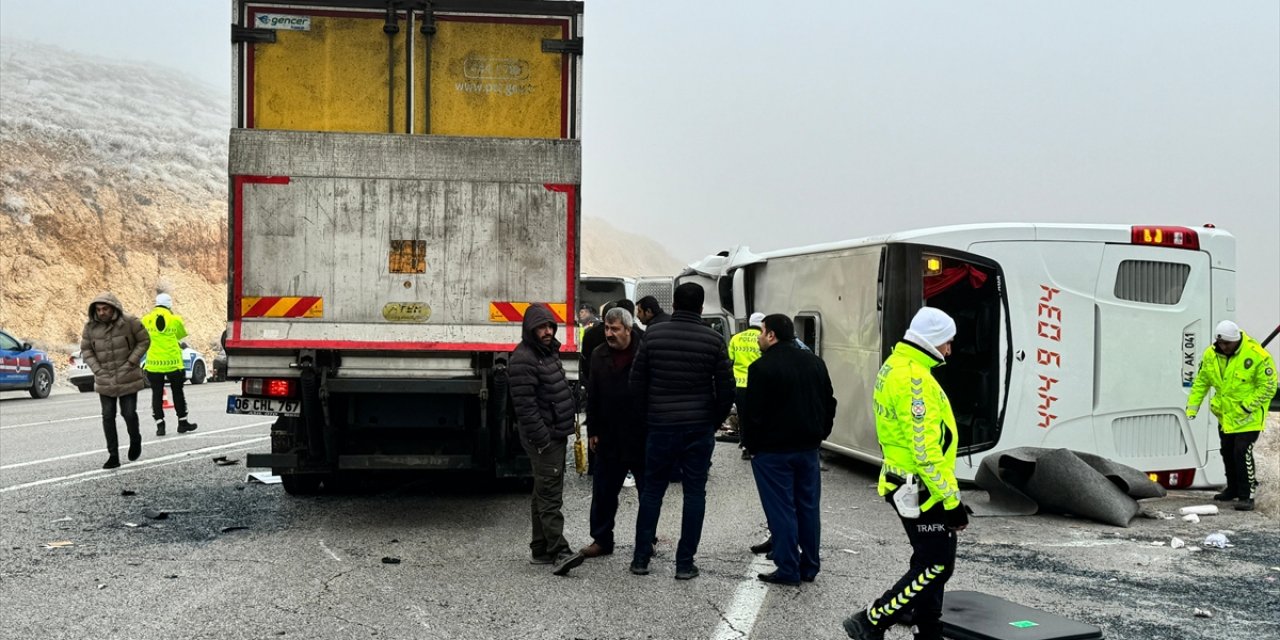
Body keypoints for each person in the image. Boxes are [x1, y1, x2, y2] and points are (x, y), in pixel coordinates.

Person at [844, 307, 969, 640]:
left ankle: (928, 630)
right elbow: (927, 453)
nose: (949, 351)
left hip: (904, 481)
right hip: (922, 489)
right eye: (947, 343)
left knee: (931, 559)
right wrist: (951, 500)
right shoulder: (917, 381)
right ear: (933, 341)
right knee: (936, 565)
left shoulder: (893, 366)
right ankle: (873, 619)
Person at [629, 282, 734, 580]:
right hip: (697, 429)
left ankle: (640, 559)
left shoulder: (654, 336)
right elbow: (726, 391)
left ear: (674, 305)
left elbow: (636, 383)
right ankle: (685, 563)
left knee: (652, 492)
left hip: (660, 426)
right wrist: (711, 422)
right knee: (694, 493)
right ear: (701, 308)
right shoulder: (713, 340)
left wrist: (647, 418)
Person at [742, 314, 836, 586]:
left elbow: (753, 413)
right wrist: (821, 433)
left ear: (771, 335)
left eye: (761, 332)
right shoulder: (815, 363)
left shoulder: (761, 368)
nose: (759, 337)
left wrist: (753, 445)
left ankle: (787, 567)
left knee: (781, 509)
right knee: (808, 508)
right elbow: (829, 402)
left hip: (772, 453)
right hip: (808, 448)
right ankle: (810, 565)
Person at [509, 304, 586, 576]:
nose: (547, 331)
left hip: (555, 434)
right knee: (551, 495)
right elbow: (525, 408)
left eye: (550, 326)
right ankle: (559, 551)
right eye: (541, 327)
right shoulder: (524, 359)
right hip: (545, 439)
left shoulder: (548, 352)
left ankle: (540, 548)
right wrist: (542, 439)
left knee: (543, 491)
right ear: (530, 329)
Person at [1186, 320, 1277, 511]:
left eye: (1227, 343)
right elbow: (1202, 382)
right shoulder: (1211, 355)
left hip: (1248, 418)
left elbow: (1268, 387)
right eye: (1221, 343)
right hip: (1226, 416)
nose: (1223, 347)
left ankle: (1247, 495)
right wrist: (1192, 408)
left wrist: (1246, 407)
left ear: (1236, 340)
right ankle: (1233, 489)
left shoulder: (1257, 356)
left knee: (1241, 452)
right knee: (1227, 451)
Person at [581, 306, 646, 558]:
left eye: (615, 329)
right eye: (607, 328)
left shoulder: (645, 350)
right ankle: (601, 539)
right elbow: (593, 394)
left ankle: (645, 540)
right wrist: (593, 430)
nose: (609, 333)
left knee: (646, 491)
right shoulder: (599, 354)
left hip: (640, 433)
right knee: (604, 491)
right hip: (608, 433)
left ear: (628, 329)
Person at [80, 293, 150, 469]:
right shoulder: (90, 327)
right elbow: (86, 350)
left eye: (105, 309)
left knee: (128, 413)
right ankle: (113, 456)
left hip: (127, 375)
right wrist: (97, 369)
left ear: (114, 308)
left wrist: (131, 362)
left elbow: (144, 341)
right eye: (98, 309)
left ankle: (135, 439)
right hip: (104, 378)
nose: (102, 312)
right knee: (107, 416)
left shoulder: (130, 322)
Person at [142, 293, 198, 436]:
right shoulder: (175, 320)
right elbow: (180, 336)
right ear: (169, 305)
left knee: (157, 394)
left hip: (154, 364)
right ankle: (182, 423)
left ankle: (160, 426)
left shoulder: (146, 320)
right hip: (173, 363)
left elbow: (142, 338)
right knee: (178, 393)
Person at [724, 312, 765, 450]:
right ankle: (759, 443)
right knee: (759, 414)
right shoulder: (764, 339)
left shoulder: (736, 338)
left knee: (743, 415)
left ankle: (745, 444)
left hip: (740, 384)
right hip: (759, 384)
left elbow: (729, 360)